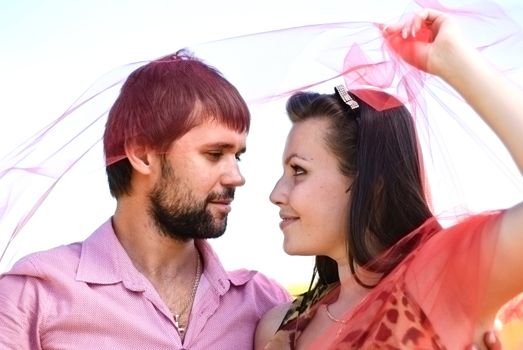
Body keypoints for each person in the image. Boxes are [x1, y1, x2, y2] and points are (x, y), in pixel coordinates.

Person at [255, 8, 523, 350]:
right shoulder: (278, 329)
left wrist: (455, 63)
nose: (276, 194)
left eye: (298, 171)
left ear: (373, 183)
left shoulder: (441, 278)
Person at [0, 50, 291, 349]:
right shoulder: (33, 296)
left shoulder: (266, 304)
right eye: (214, 154)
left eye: (238, 156)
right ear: (141, 155)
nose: (236, 176)